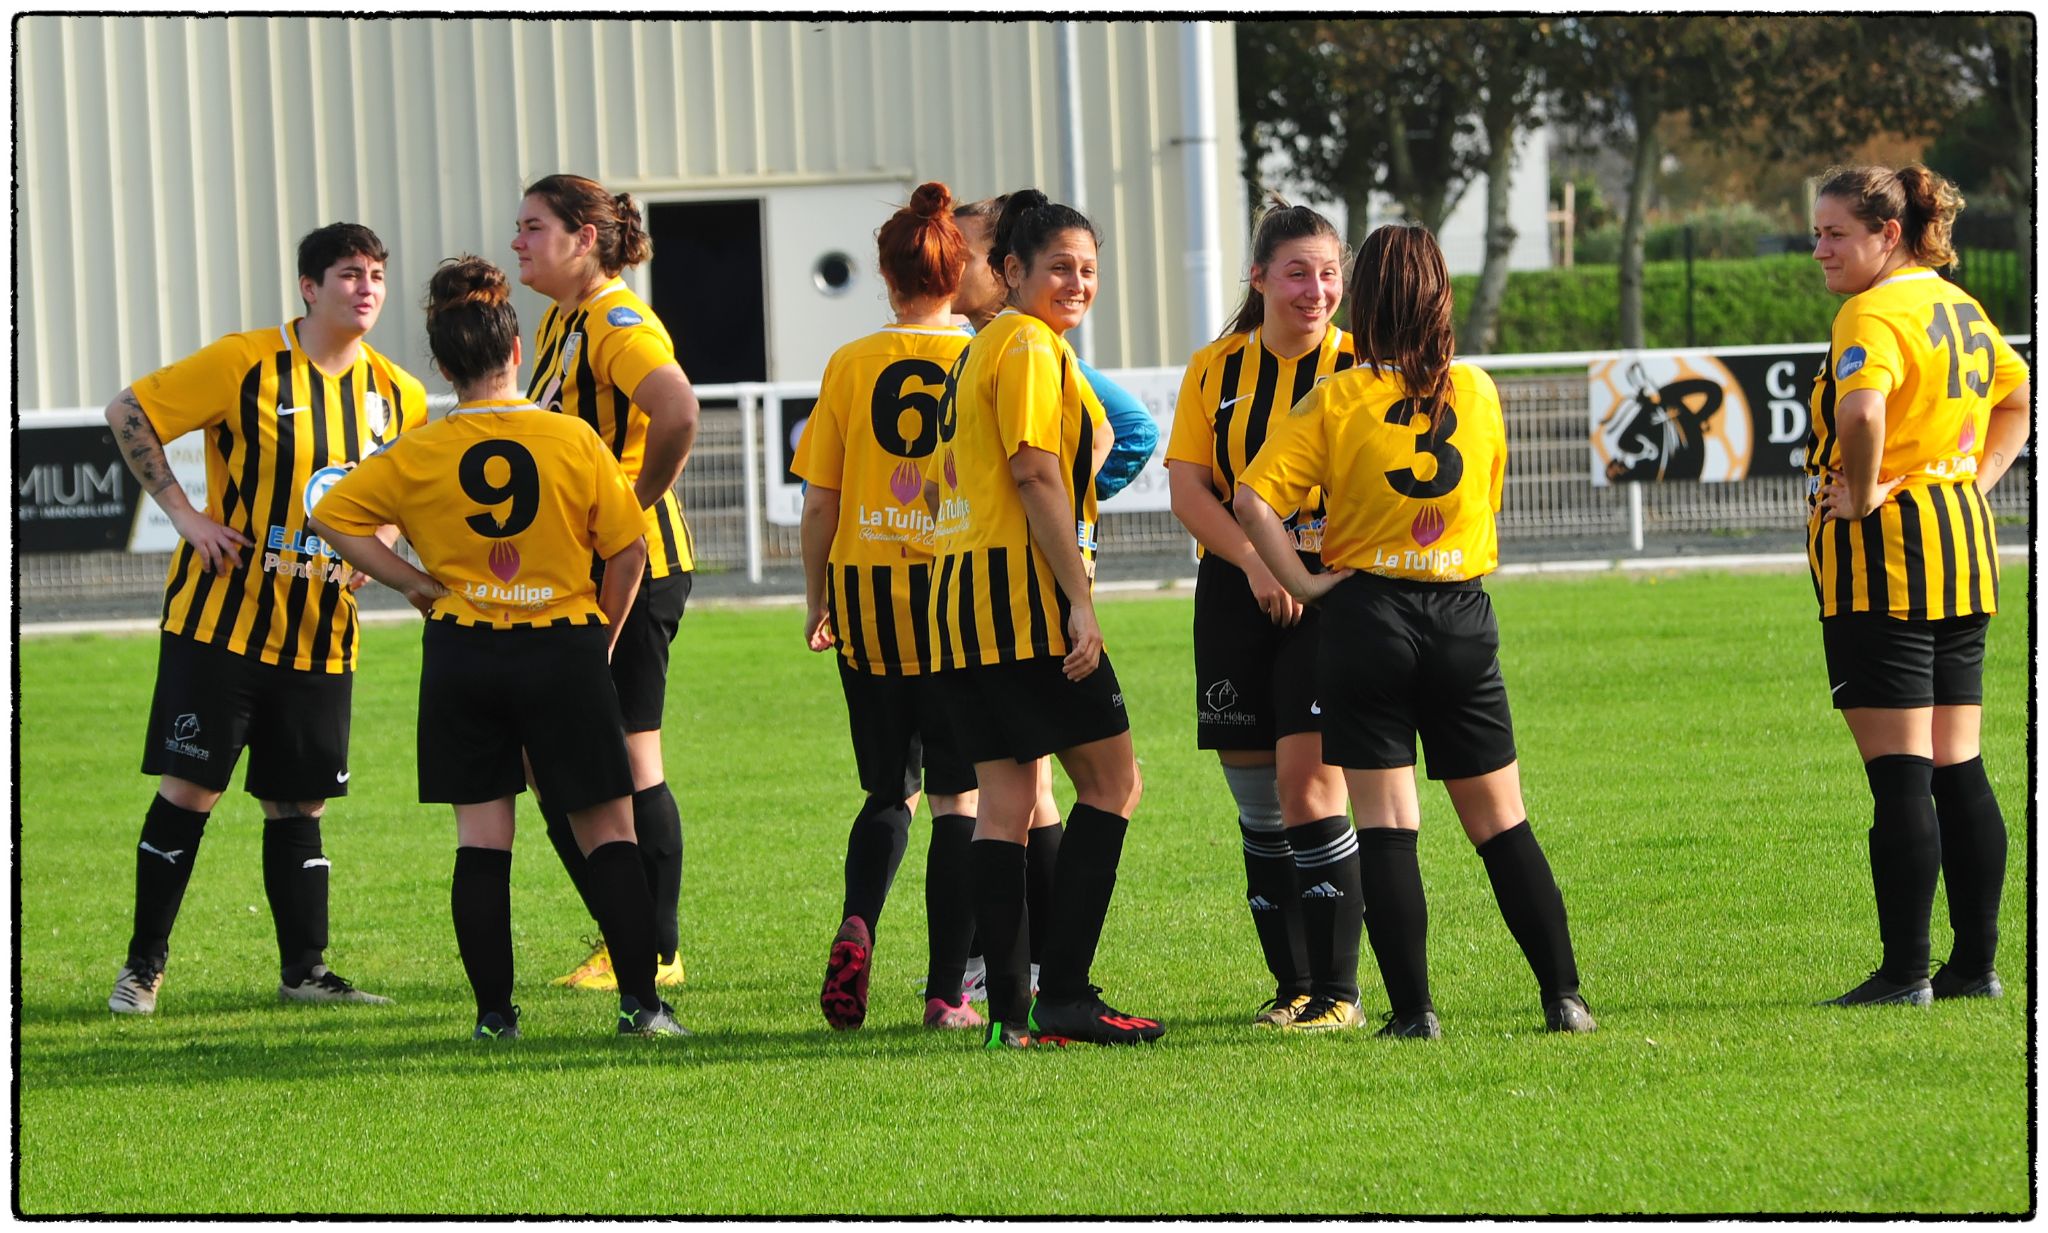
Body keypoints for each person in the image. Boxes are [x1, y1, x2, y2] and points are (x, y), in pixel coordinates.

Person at [308, 255, 686, 1040]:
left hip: (463, 655)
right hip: (562, 647)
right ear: (516, 353)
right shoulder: (573, 439)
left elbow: (333, 515)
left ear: (444, 366)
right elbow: (628, 550)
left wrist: (413, 581)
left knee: (482, 842)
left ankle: (494, 1015)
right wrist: (604, 635)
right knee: (609, 833)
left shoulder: (419, 449)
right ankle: (643, 1008)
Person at [1234, 223, 1594, 1038]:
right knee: (1502, 821)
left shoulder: (1337, 395)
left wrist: (1304, 581)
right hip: (1461, 610)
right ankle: (1565, 996)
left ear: (1366, 300)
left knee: (1389, 825)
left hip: (1368, 613)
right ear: (1441, 297)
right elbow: (1490, 492)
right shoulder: (1479, 390)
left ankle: (1416, 1014)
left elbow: (1253, 499)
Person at [102, 222, 422, 1015]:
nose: (367, 287)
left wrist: (374, 550)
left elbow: (401, 495)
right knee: (190, 790)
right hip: (222, 626)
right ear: (310, 287)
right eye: (350, 273)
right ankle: (143, 967)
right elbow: (129, 409)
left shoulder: (399, 394)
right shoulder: (244, 362)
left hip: (321, 634)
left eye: (377, 274)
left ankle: (304, 972)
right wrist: (184, 514)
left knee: (300, 804)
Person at [924, 189, 1163, 1049]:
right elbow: (1032, 471)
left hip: (959, 604)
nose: (1077, 281)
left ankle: (1010, 1018)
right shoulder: (1025, 345)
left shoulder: (983, 348)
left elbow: (1071, 450)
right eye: (1058, 265)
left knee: (1007, 802)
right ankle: (1063, 992)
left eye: (1090, 268)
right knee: (1113, 782)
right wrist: (1079, 598)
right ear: (1011, 271)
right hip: (1022, 607)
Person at [1804, 164, 2029, 1007]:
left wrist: (1860, 493)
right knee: (1958, 765)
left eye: (1835, 233)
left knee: (1901, 776)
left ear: (1886, 235)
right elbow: (2017, 395)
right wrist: (1972, 475)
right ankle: (1975, 965)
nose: (1819, 248)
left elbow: (1862, 414)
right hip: (1963, 548)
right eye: (1818, 232)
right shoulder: (1955, 303)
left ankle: (1905, 973)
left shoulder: (1872, 309)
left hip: (1886, 561)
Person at [793, 181, 983, 1032]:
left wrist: (817, 595)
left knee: (886, 790)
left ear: (884, 271)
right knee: (959, 799)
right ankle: (947, 991)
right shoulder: (985, 357)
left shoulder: (850, 363)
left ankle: (859, 921)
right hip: (958, 596)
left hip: (867, 594)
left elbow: (819, 502)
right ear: (963, 268)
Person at [1165, 200, 1356, 1030]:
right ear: (1258, 277)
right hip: (1234, 592)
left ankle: (1340, 993)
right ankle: (1291, 988)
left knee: (1307, 782)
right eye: (1296, 272)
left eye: (1327, 273)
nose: (1315, 290)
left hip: (1331, 591)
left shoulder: (1364, 363)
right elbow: (1187, 487)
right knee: (1255, 802)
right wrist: (1252, 561)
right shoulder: (1216, 369)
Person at [512, 173, 701, 993]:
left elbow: (678, 407)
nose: (517, 239)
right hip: (584, 569)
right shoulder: (562, 318)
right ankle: (625, 932)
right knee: (549, 760)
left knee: (628, 754)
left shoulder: (617, 321)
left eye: (532, 226)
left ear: (584, 237)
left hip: (637, 565)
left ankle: (655, 948)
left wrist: (637, 500)